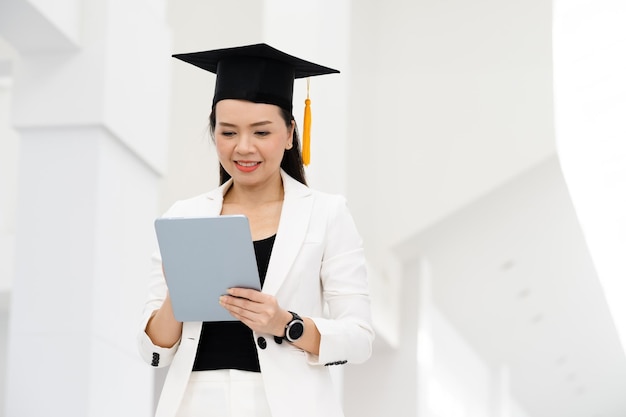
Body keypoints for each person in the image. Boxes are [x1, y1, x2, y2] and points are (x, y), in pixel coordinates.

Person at [137, 43, 374, 417]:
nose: (243, 148)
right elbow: (155, 349)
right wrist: (176, 294)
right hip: (196, 402)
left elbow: (359, 339)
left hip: (286, 405)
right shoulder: (184, 215)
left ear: (290, 133)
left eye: (261, 133)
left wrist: (285, 324)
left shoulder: (327, 213)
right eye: (228, 132)